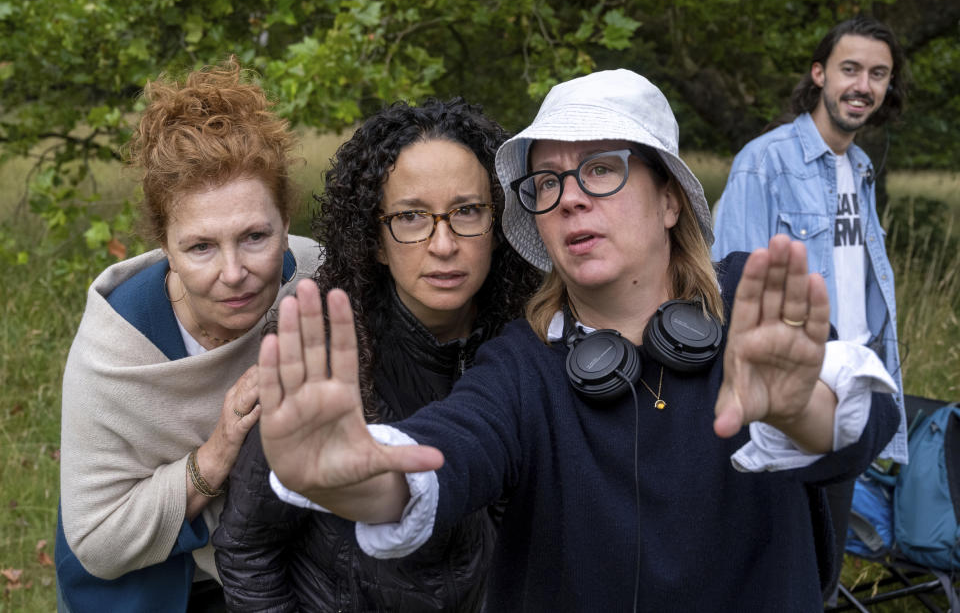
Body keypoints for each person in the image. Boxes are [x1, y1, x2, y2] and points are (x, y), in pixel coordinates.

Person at [258, 69, 900, 611]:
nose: (569, 199)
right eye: (548, 182)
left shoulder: (751, 305)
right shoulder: (521, 364)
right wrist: (354, 478)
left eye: (601, 169)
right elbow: (444, 454)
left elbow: (862, 415)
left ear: (670, 199)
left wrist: (799, 409)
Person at [212, 98, 541, 611]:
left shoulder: (527, 341)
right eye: (411, 217)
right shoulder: (324, 358)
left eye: (467, 211)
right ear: (377, 240)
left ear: (498, 226)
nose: (444, 243)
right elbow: (247, 548)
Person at [55, 59, 319, 612]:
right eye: (201, 246)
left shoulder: (318, 281)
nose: (233, 272)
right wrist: (215, 456)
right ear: (164, 249)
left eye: (254, 236)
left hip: (283, 568)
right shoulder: (114, 351)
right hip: (151, 590)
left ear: (286, 224)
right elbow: (98, 542)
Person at [711, 15, 909, 600]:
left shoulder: (862, 168)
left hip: (845, 394)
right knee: (774, 570)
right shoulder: (764, 162)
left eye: (878, 74)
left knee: (822, 567)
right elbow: (729, 282)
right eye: (850, 69)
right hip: (784, 398)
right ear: (820, 74)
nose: (863, 86)